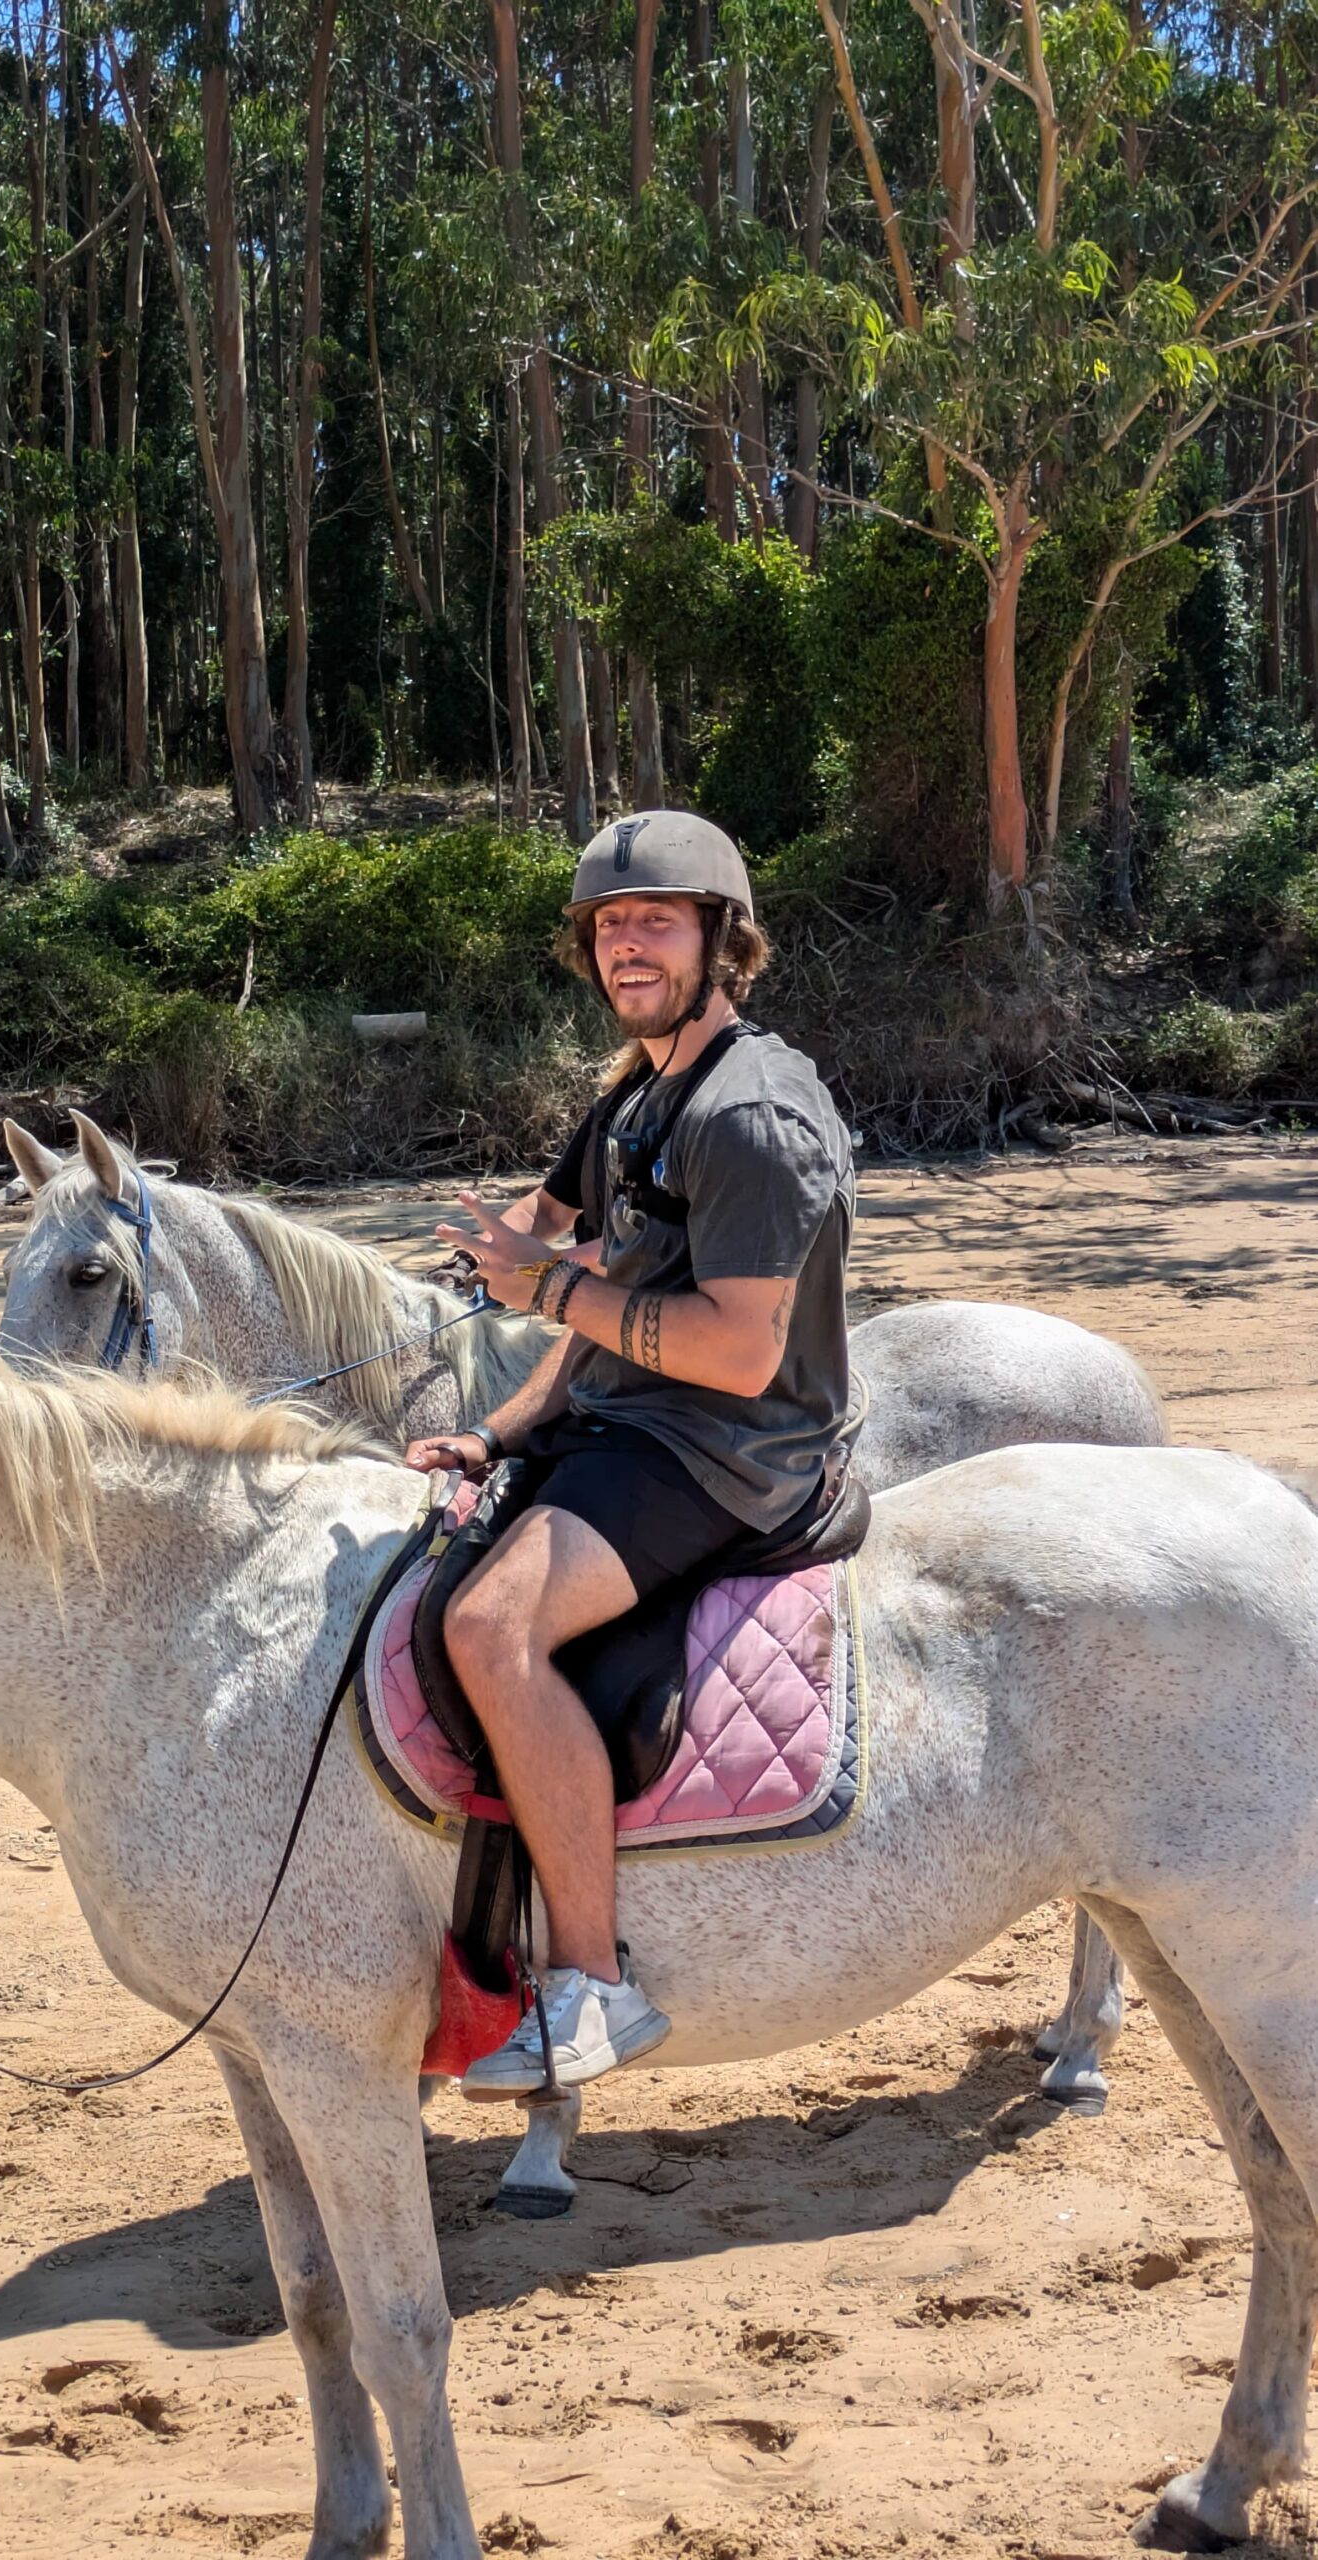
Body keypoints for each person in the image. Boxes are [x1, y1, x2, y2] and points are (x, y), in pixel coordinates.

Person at [408, 811, 858, 2097]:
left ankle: (596, 1984)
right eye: (608, 926)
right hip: (636, 1416)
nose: (625, 945)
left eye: (654, 920)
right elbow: (609, 1305)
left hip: (735, 1447)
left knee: (492, 1628)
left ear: (724, 938)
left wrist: (543, 1288)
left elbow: (729, 1351)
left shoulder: (750, 1113)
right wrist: (497, 1429)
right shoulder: (639, 1091)